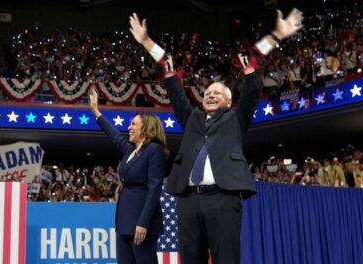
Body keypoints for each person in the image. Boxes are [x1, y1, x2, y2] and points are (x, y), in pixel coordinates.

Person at [129, 9, 303, 264]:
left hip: (223, 198)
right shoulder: (192, 119)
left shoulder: (236, 118)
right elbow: (170, 73)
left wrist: (276, 35)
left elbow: (252, 82)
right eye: (207, 92)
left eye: (217, 93)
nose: (210, 95)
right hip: (188, 200)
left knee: (227, 259)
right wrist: (146, 42)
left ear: (229, 101)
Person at [89, 89, 167, 264]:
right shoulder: (131, 150)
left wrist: (143, 222)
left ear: (145, 129)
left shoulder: (154, 150)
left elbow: (155, 188)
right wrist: (96, 112)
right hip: (124, 219)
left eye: (133, 124)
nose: (129, 127)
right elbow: (115, 136)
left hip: (141, 220)